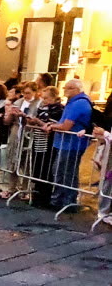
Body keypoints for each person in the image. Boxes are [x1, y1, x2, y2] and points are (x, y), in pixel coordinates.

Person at [50, 78, 95, 210]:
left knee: (65, 171)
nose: (65, 90)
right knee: (62, 170)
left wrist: (52, 126)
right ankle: (61, 199)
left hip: (71, 144)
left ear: (76, 89)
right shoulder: (73, 102)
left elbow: (66, 126)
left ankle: (67, 201)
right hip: (66, 143)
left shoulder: (79, 103)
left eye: (68, 88)